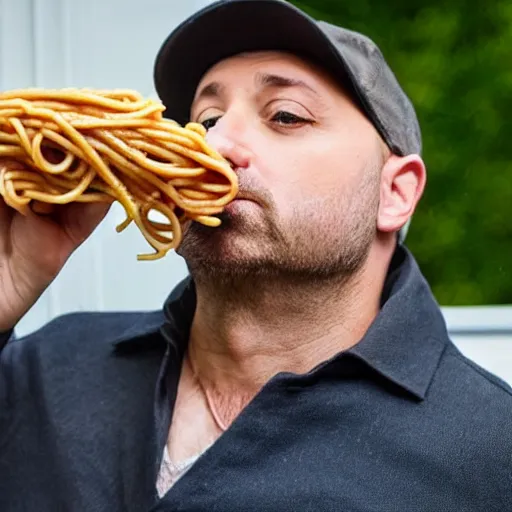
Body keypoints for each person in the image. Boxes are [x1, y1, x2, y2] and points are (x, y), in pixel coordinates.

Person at [0, 0, 511, 510]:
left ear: (395, 193)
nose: (216, 144)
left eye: (286, 116)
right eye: (205, 119)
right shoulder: (41, 369)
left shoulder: (489, 454)